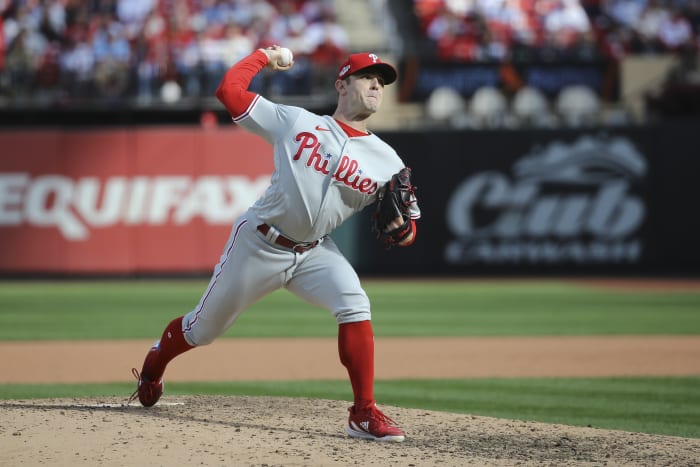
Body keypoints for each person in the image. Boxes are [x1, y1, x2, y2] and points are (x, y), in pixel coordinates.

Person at [130, 45, 421, 443]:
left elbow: (409, 229)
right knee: (202, 329)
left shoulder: (387, 159)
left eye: (382, 81)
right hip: (259, 242)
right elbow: (229, 92)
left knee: (354, 303)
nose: (376, 85)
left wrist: (403, 230)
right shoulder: (296, 122)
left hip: (315, 251)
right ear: (341, 85)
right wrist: (262, 57)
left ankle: (363, 413)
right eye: (367, 77)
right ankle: (153, 367)